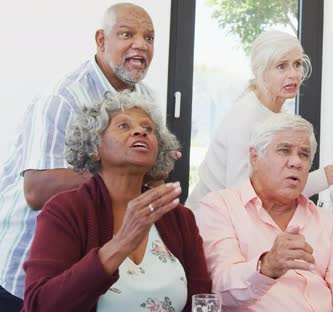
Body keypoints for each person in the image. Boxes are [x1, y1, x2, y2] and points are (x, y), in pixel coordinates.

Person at [0, 3, 157, 309]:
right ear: (101, 40)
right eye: (127, 34)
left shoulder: (145, 97)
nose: (141, 44)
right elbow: (36, 190)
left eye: (149, 38)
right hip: (23, 271)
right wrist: (119, 172)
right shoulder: (62, 96)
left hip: (90, 271)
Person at [23, 92, 211, 311]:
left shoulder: (179, 218)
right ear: (94, 148)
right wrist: (120, 244)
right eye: (123, 126)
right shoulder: (65, 210)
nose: (140, 131)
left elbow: (201, 300)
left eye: (148, 129)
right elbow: (40, 305)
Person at [196, 113, 333, 311]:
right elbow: (220, 289)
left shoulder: (327, 222)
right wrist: (266, 266)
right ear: (255, 157)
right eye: (284, 150)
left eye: (304, 154)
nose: (296, 162)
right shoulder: (220, 207)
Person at [186, 30, 333, 209]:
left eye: (297, 64)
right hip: (208, 222)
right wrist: (320, 178)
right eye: (282, 66)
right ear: (261, 71)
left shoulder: (277, 116)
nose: (293, 74)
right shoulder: (245, 117)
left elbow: (273, 185)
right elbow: (241, 196)